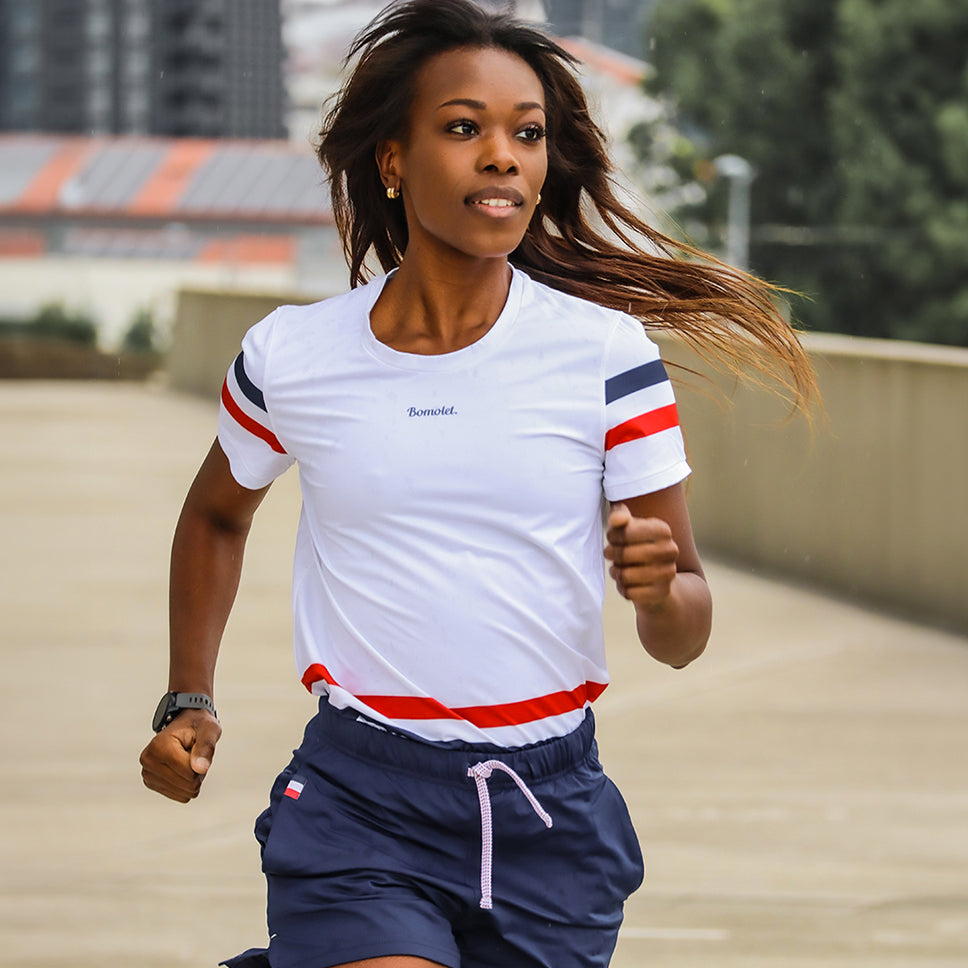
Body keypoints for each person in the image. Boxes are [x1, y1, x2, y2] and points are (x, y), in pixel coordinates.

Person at [140, 2, 815, 966]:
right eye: (464, 128)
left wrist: (662, 591)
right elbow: (215, 515)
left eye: (526, 134)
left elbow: (683, 634)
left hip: (551, 819)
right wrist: (187, 699)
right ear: (393, 160)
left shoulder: (606, 359)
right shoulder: (294, 356)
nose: (503, 156)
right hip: (361, 800)